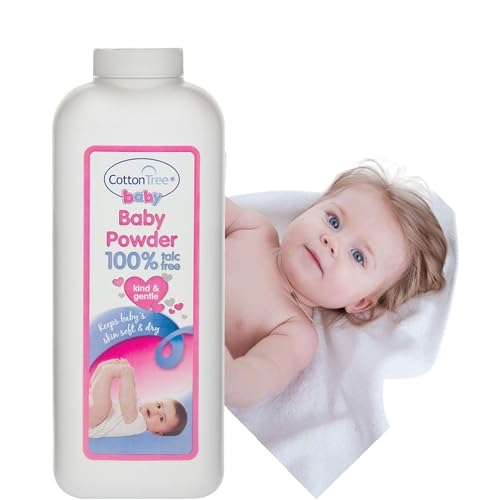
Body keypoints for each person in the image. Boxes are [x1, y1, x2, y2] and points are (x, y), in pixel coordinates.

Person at [225, 164, 447, 408]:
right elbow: (201, 201)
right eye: (333, 221)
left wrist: (225, 375)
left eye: (358, 256)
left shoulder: (294, 332)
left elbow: (257, 377)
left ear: (360, 303)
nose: (331, 242)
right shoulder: (252, 229)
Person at [89, 358, 187, 438]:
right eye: (158, 405)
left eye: (161, 418)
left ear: (157, 432)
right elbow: (132, 390)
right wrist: (128, 371)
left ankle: (107, 371)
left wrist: (126, 374)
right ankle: (105, 369)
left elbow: (127, 404)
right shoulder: (139, 406)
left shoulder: (140, 426)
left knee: (104, 405)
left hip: (97, 423)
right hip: (93, 411)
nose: (156, 411)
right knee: (103, 369)